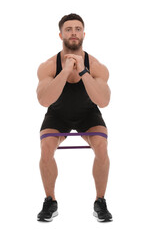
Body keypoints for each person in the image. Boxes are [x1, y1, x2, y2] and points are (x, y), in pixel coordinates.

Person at [36, 13, 112, 222]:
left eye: (78, 29)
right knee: (46, 148)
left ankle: (100, 201)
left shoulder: (96, 66)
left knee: (102, 146)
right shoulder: (49, 66)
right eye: (68, 29)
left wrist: (83, 71)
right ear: (60, 34)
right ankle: (50, 200)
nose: (73, 33)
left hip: (88, 114)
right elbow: (44, 100)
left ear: (84, 34)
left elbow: (104, 101)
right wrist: (66, 70)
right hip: (58, 115)